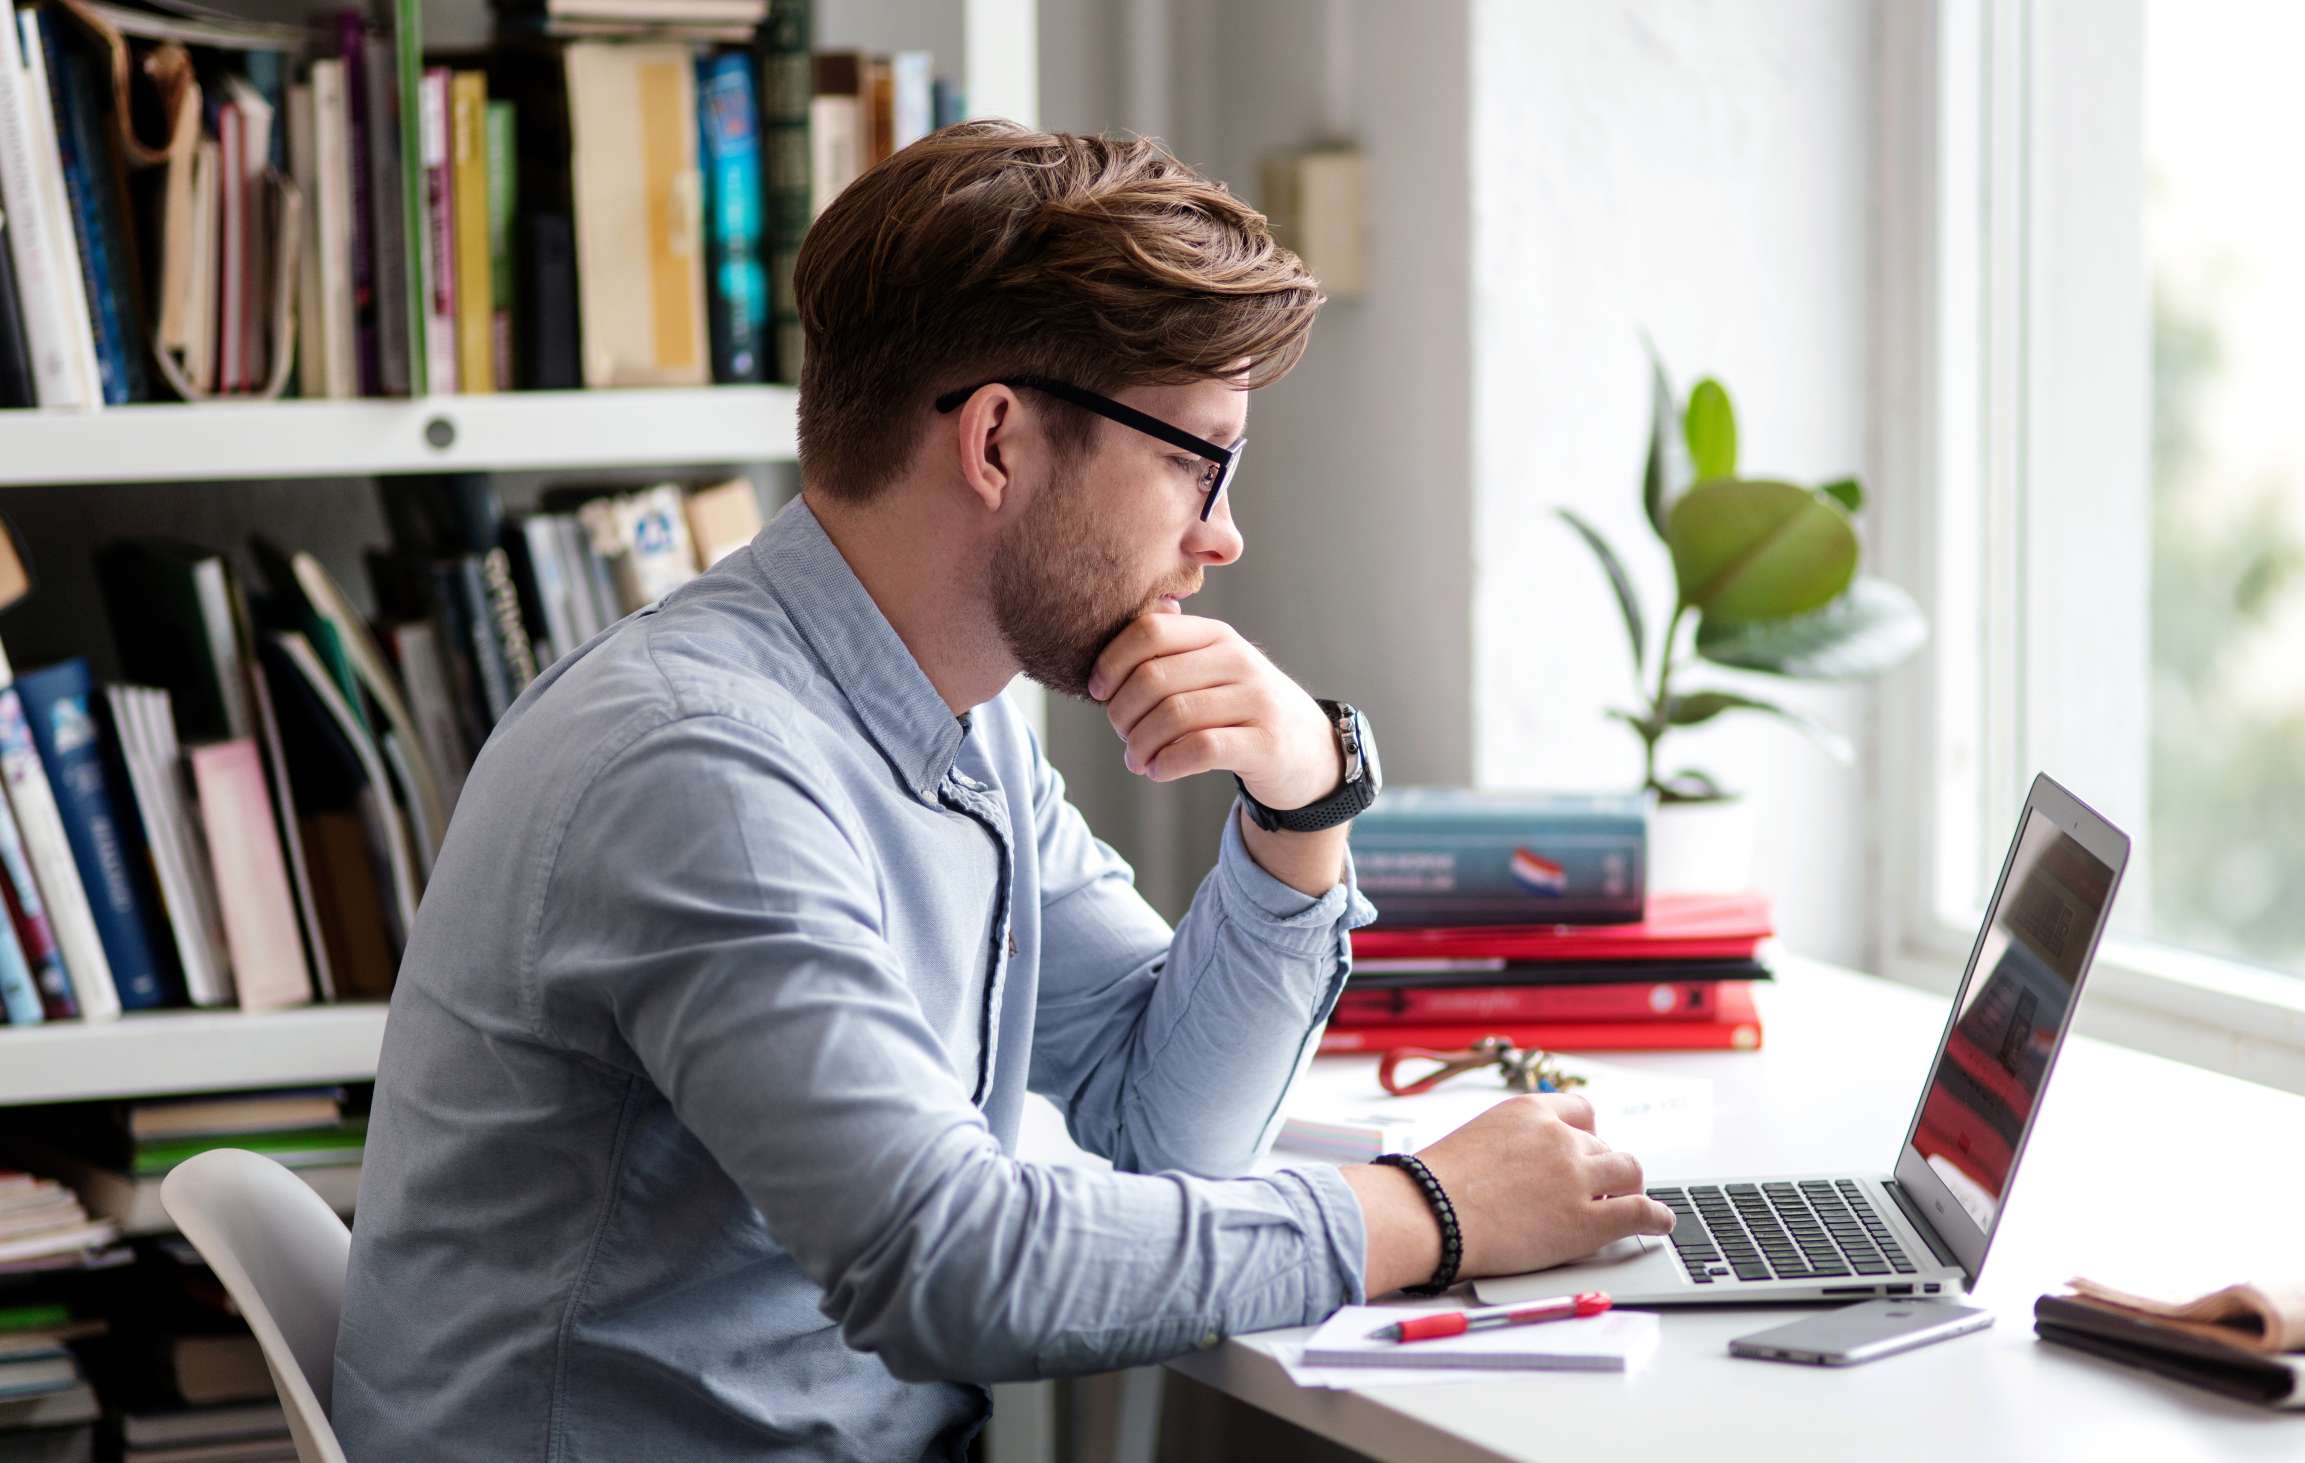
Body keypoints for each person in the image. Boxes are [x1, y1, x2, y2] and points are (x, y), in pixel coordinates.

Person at [332, 120, 1675, 1462]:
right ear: (996, 442)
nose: (1222, 532)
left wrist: (1301, 808)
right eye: (1196, 460)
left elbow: (1168, 1129)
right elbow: (951, 1269)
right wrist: (1432, 1210)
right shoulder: (704, 769)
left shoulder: (957, 728)